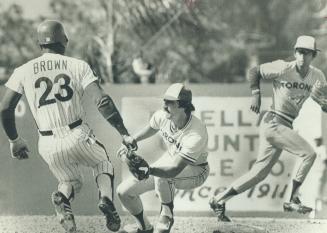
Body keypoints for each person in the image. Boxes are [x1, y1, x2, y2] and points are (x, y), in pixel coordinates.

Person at [0, 20, 136, 233]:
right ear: (64, 41)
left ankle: (62, 197)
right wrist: (123, 133)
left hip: (47, 143)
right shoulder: (77, 65)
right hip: (77, 133)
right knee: (103, 164)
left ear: (39, 44)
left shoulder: (23, 70)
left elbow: (5, 108)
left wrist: (14, 140)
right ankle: (106, 200)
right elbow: (103, 101)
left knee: (70, 181)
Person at [209, 35, 327, 221]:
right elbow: (254, 71)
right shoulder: (284, 67)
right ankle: (294, 197)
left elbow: (323, 101)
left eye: (308, 53)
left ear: (314, 56)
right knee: (309, 154)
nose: (303, 56)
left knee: (259, 174)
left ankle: (219, 199)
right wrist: (256, 94)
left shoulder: (317, 76)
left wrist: (324, 103)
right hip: (274, 121)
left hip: (284, 123)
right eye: (300, 52)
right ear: (295, 52)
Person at [116, 83, 209, 233]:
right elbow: (152, 128)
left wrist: (149, 170)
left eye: (170, 102)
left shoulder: (195, 133)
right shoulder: (163, 115)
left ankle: (167, 213)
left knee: (162, 176)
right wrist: (133, 140)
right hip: (170, 161)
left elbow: (173, 170)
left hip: (196, 170)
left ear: (182, 105)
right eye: (164, 100)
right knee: (124, 192)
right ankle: (144, 228)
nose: (164, 104)